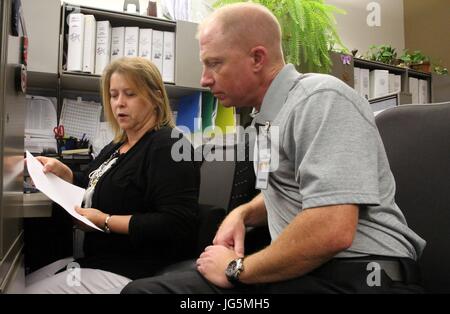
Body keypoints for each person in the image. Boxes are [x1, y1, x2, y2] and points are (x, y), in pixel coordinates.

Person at [122, 3, 426, 294]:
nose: (204, 78)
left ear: (257, 59)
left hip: (357, 276)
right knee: (141, 291)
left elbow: (332, 228)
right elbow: (292, 191)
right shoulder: (265, 120)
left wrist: (236, 269)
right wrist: (242, 213)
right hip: (302, 275)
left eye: (215, 63)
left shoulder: (321, 99)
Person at [25, 57, 200, 293]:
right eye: (114, 95)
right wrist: (66, 175)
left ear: (155, 97)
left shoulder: (169, 144)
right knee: (19, 282)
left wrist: (105, 221)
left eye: (130, 94)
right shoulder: (118, 145)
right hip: (99, 261)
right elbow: (91, 185)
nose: (119, 103)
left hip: (135, 270)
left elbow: (177, 223)